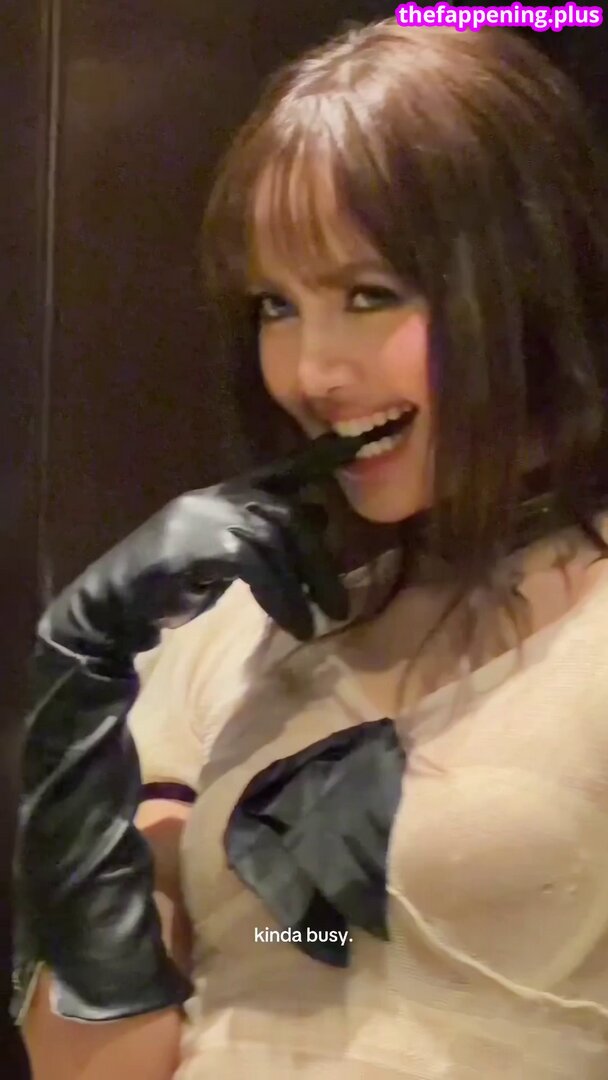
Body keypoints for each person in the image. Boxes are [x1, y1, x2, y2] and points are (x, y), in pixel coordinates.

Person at [13, 20, 608, 1080]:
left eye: (369, 295)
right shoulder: (234, 630)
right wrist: (80, 679)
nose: (311, 373)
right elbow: (89, 1067)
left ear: (521, 284)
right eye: (276, 306)